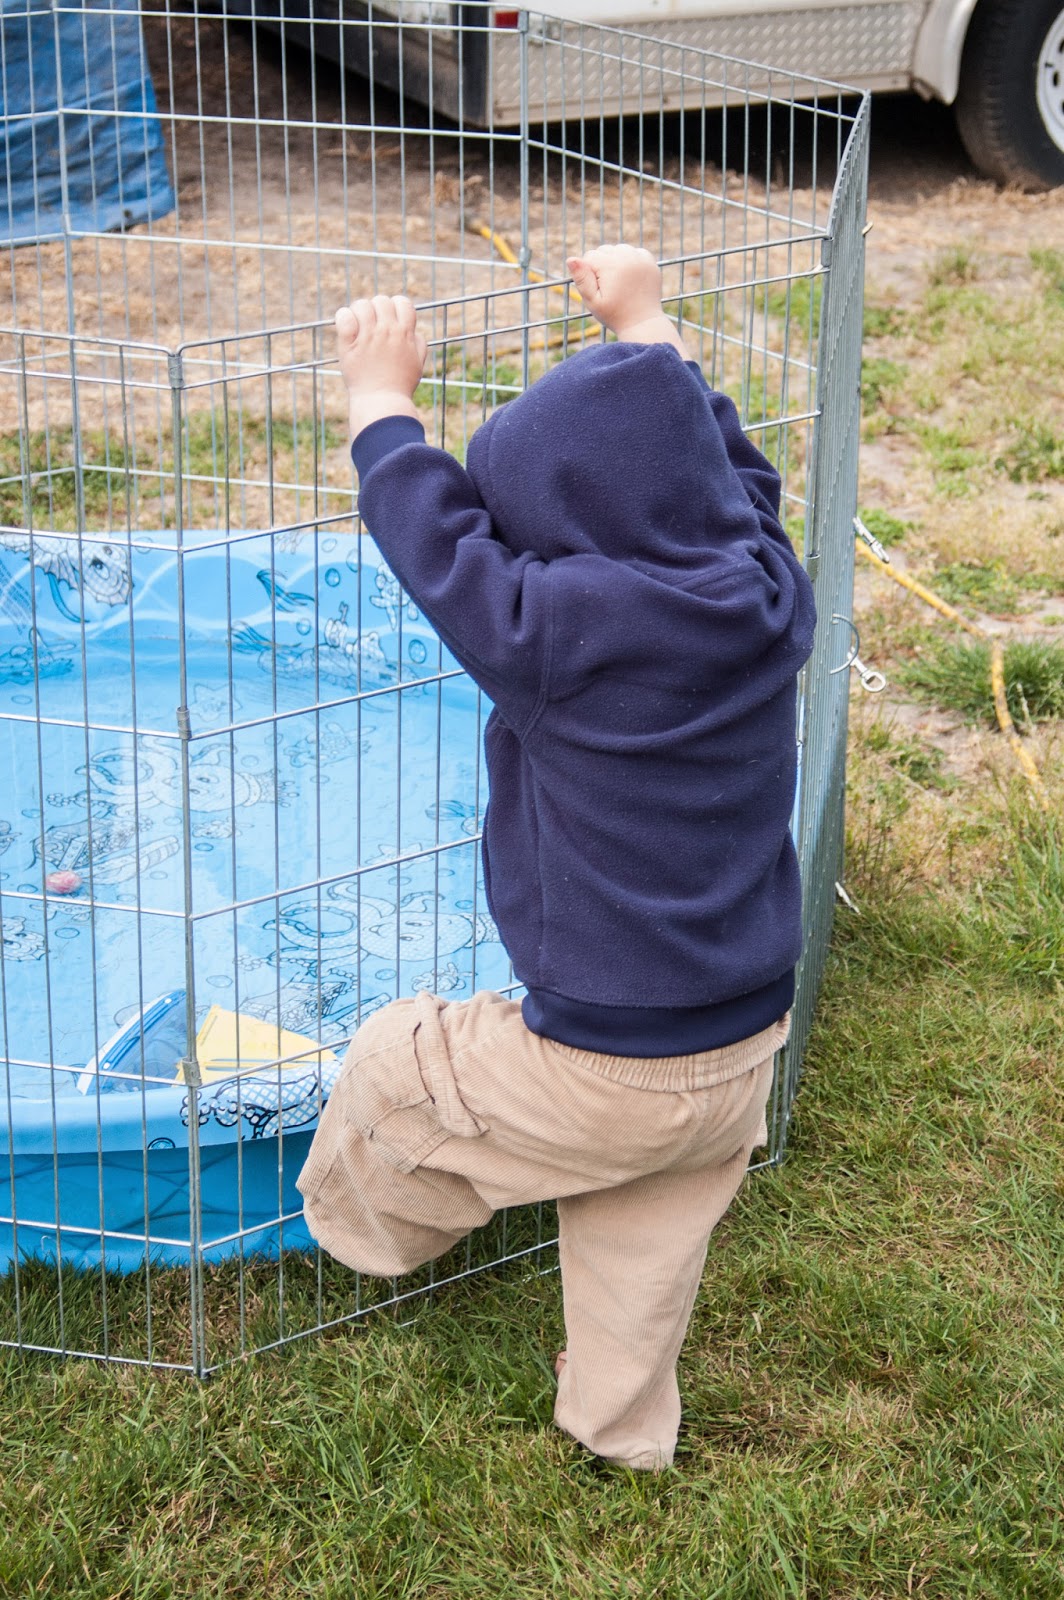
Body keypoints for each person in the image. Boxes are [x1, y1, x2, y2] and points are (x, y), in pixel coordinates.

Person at [297, 245, 816, 1471]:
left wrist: (381, 400)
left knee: (394, 1064)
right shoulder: (764, 591)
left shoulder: (554, 631)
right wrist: (646, 328)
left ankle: (354, 1242)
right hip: (743, 1040)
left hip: (602, 1060)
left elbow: (437, 549)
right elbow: (745, 478)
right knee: (645, 1229)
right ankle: (618, 1429)